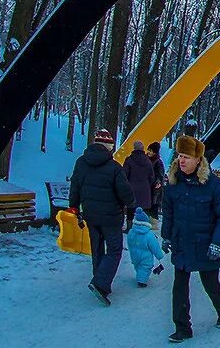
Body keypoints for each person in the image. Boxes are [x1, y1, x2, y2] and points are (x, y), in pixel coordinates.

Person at [162, 135, 220, 342]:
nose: (181, 160)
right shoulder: (173, 183)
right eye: (179, 156)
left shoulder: (214, 186)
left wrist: (217, 243)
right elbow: (168, 213)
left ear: (198, 160)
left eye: (186, 156)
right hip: (182, 243)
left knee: (210, 284)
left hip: (206, 244)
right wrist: (167, 236)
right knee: (179, 288)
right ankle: (182, 327)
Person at [69, 128, 135, 306]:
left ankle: (99, 279)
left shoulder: (81, 163)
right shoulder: (114, 167)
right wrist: (131, 202)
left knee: (97, 248)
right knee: (114, 250)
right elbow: (125, 192)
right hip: (111, 217)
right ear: (109, 147)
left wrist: (74, 206)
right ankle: (100, 283)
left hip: (90, 214)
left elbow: (75, 186)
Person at [127, 209, 165, 287]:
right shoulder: (149, 235)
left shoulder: (131, 232)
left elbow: (129, 242)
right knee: (145, 267)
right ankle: (142, 281)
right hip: (145, 257)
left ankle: (139, 276)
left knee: (137, 266)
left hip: (134, 255)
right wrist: (159, 255)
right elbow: (155, 247)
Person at [123, 139, 155, 230]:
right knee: (143, 210)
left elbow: (124, 175)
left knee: (130, 209)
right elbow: (152, 176)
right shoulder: (148, 161)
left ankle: (129, 227)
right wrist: (147, 185)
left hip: (131, 189)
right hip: (145, 190)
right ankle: (143, 228)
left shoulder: (129, 160)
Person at [147, 142, 166, 219]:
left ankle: (153, 224)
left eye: (151, 150)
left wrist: (158, 181)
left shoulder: (158, 162)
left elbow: (160, 174)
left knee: (153, 206)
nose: (148, 152)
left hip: (155, 188)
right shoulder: (145, 159)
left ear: (155, 152)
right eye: (148, 150)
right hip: (147, 186)